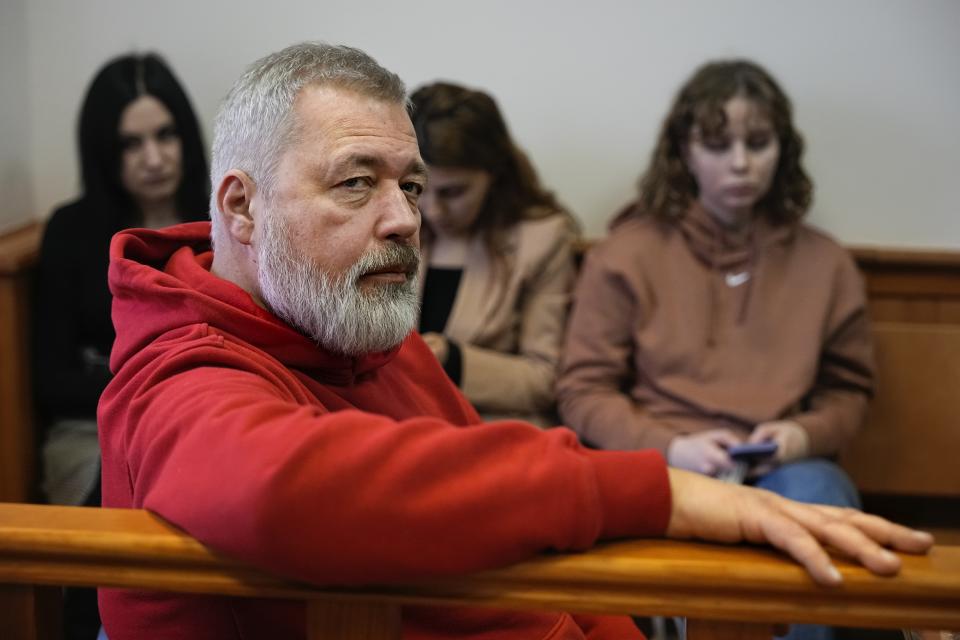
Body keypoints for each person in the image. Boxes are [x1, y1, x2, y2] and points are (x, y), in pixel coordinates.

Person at [98, 43, 932, 640]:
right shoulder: (181, 369)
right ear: (241, 209)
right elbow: (278, 489)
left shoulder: (368, 335)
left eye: (413, 186)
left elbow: (549, 570)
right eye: (357, 183)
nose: (404, 220)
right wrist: (660, 490)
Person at [556, 60, 873, 639]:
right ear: (684, 151)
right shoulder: (626, 254)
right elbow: (582, 390)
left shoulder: (826, 262)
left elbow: (849, 392)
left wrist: (803, 434)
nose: (741, 164)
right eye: (717, 143)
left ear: (784, 149)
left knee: (821, 495)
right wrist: (672, 447)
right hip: (666, 460)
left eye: (758, 143)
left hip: (787, 464)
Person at [33, 52, 208, 640]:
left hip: (203, 411)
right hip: (94, 425)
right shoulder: (72, 230)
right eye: (131, 144)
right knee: (115, 515)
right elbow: (52, 379)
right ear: (105, 153)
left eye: (165, 135)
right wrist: (144, 390)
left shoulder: (223, 216)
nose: (154, 158)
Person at [408, 82, 578, 425]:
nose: (432, 209)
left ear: (495, 175)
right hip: (395, 420)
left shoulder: (542, 238)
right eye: (418, 187)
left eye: (453, 192)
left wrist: (452, 360)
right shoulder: (394, 221)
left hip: (489, 429)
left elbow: (546, 380)